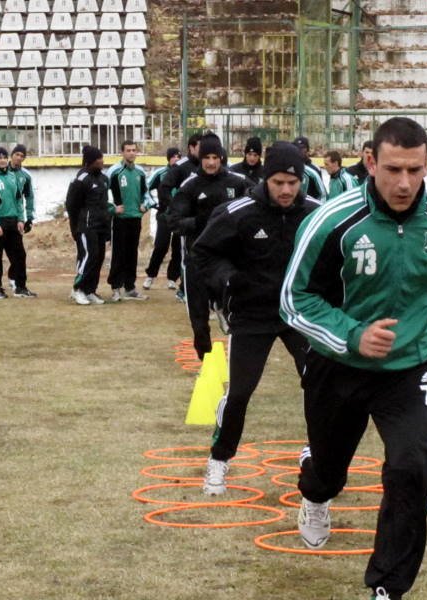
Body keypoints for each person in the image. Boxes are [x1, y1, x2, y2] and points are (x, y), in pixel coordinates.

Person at [280, 117, 427, 600]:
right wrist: (352, 335)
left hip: (410, 367)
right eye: (393, 169)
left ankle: (388, 588)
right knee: (330, 473)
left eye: (415, 169)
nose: (405, 182)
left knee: (411, 468)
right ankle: (315, 490)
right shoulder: (333, 220)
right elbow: (293, 298)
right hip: (338, 367)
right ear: (371, 162)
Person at [191, 141, 321, 495]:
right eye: (278, 182)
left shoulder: (315, 213)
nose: (286, 190)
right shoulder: (239, 212)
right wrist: (229, 280)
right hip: (252, 314)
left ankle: (317, 454)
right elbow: (203, 253)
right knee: (241, 392)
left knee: (320, 384)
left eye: (293, 183)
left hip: (301, 315)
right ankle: (219, 461)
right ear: (266, 177)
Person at [167, 134, 252, 359]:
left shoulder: (238, 182)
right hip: (196, 258)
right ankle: (204, 359)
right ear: (200, 158)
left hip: (227, 258)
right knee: (198, 316)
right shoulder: (191, 186)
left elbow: (256, 206)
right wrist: (198, 222)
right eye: (207, 157)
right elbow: (173, 220)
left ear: (222, 157)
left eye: (216, 157)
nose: (211, 162)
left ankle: (237, 354)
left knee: (236, 305)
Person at [66, 145, 118, 305]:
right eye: (98, 159)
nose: (102, 161)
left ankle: (90, 290)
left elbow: (103, 204)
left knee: (99, 257)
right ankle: (78, 289)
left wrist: (108, 226)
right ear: (89, 162)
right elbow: (71, 205)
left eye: (102, 158)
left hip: (101, 226)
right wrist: (75, 228)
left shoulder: (104, 179)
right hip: (86, 226)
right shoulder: (81, 180)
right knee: (89, 256)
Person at [0, 147, 34, 299]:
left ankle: (20, 287)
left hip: (13, 222)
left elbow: (19, 200)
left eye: (4, 157)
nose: (3, 160)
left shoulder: (13, 176)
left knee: (20, 255)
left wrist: (21, 219)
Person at [106, 140, 153, 302]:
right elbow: (102, 194)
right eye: (128, 150)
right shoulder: (114, 171)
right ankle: (116, 288)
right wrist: (113, 208)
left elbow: (147, 194)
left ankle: (130, 287)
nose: (132, 153)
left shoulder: (140, 172)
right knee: (119, 254)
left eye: (134, 150)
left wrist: (145, 206)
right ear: (122, 152)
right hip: (120, 220)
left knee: (132, 254)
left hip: (135, 218)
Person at [159, 132, 203, 301]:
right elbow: (164, 187)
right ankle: (184, 290)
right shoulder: (181, 166)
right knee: (188, 255)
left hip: (205, 221)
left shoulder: (208, 165)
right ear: (191, 148)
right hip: (187, 223)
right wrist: (174, 208)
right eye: (200, 147)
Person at [143, 147, 182, 291]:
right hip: (164, 214)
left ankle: (172, 278)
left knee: (178, 248)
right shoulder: (160, 173)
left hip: (180, 216)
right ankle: (150, 275)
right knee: (161, 245)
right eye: (173, 157)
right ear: (168, 158)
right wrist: (154, 203)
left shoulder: (184, 172)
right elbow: (146, 188)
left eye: (179, 157)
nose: (176, 160)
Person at [7, 144, 36, 291]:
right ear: (11, 155)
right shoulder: (0, 172)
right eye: (17, 154)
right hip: (0, 218)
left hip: (17, 219)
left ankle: (14, 278)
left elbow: (29, 197)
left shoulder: (25, 176)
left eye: (22, 156)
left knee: (18, 252)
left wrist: (29, 217)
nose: (19, 158)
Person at [293, 136, 327, 202]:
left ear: (307, 150)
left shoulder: (314, 169)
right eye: (296, 148)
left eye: (302, 148)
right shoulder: (290, 167)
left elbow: (322, 194)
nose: (298, 151)